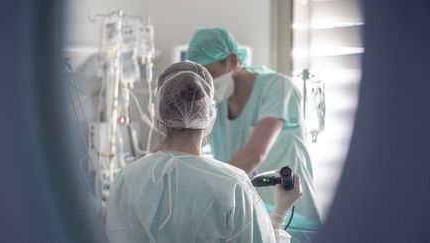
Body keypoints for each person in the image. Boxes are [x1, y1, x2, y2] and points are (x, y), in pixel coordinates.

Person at [106, 61, 302, 243]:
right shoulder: (233, 185)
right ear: (209, 114)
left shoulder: (125, 180)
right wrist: (279, 215)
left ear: (159, 114)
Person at [186, 28, 323, 242]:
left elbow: (254, 155)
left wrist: (208, 197)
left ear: (232, 61)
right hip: (255, 221)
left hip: (296, 218)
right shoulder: (217, 106)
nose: (208, 86)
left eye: (211, 74)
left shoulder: (278, 88)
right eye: (202, 78)